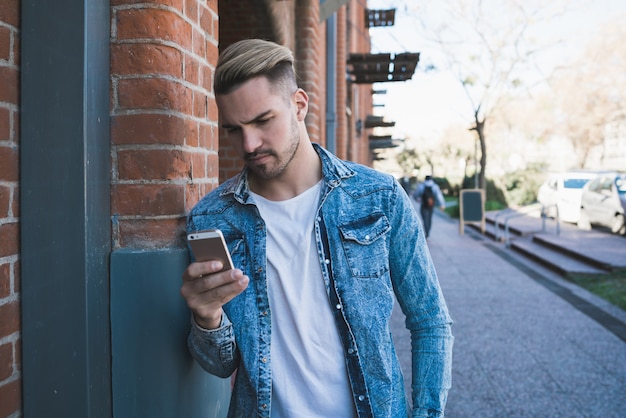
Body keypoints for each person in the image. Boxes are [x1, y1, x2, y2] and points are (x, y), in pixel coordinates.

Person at [180, 39, 453, 418]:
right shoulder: (213, 220)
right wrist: (206, 318)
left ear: (299, 105)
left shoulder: (379, 197)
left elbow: (430, 321)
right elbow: (222, 365)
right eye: (233, 129)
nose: (249, 143)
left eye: (262, 121)